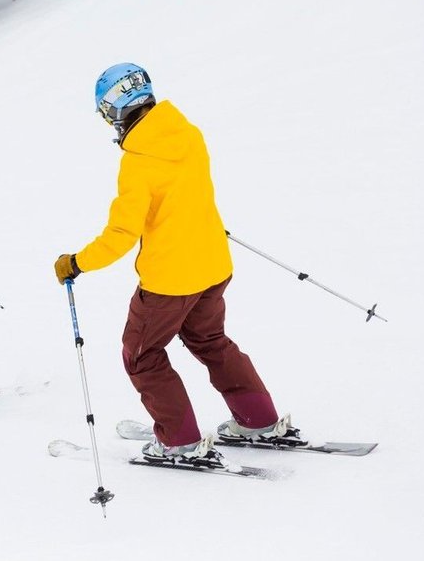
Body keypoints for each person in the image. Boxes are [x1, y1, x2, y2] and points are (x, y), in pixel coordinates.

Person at [53, 63, 303, 467]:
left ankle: (179, 440)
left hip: (170, 280)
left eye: (105, 113)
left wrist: (77, 263)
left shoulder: (138, 160)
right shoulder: (188, 134)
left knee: (141, 354)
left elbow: (121, 233)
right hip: (213, 266)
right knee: (210, 341)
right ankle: (259, 420)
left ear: (116, 108)